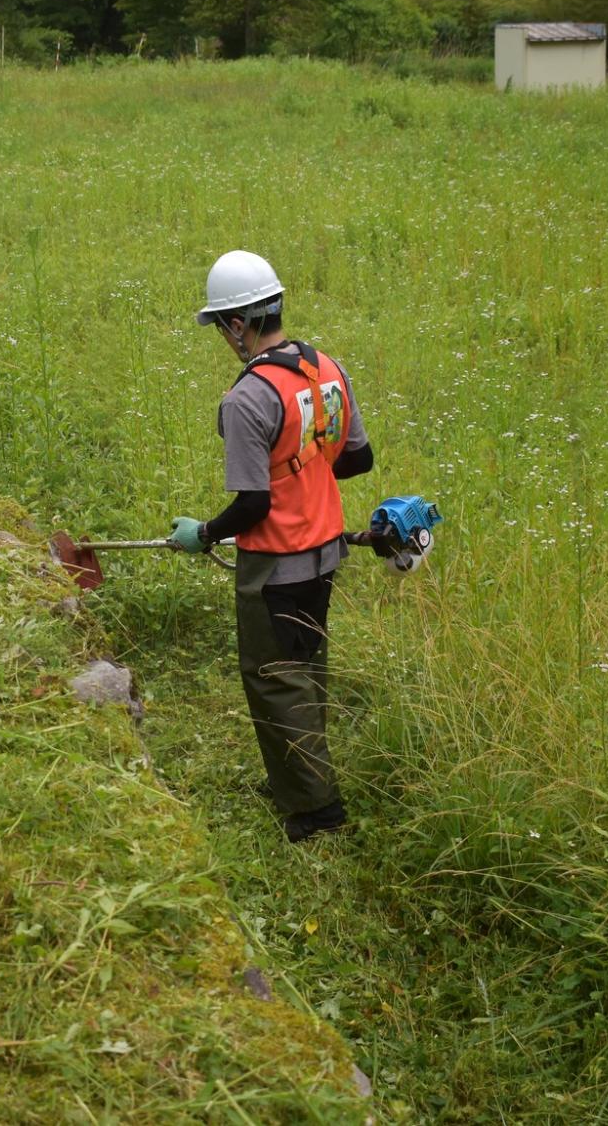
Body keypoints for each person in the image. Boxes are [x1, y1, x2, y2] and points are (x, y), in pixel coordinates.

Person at [172, 250, 373, 842]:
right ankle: (299, 777)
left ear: (238, 325)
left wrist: (202, 534)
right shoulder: (326, 369)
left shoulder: (247, 399)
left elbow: (252, 506)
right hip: (326, 552)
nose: (224, 339)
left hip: (276, 563)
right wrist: (305, 470)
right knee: (306, 668)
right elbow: (358, 459)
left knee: (273, 676)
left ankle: (317, 812)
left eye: (222, 328)